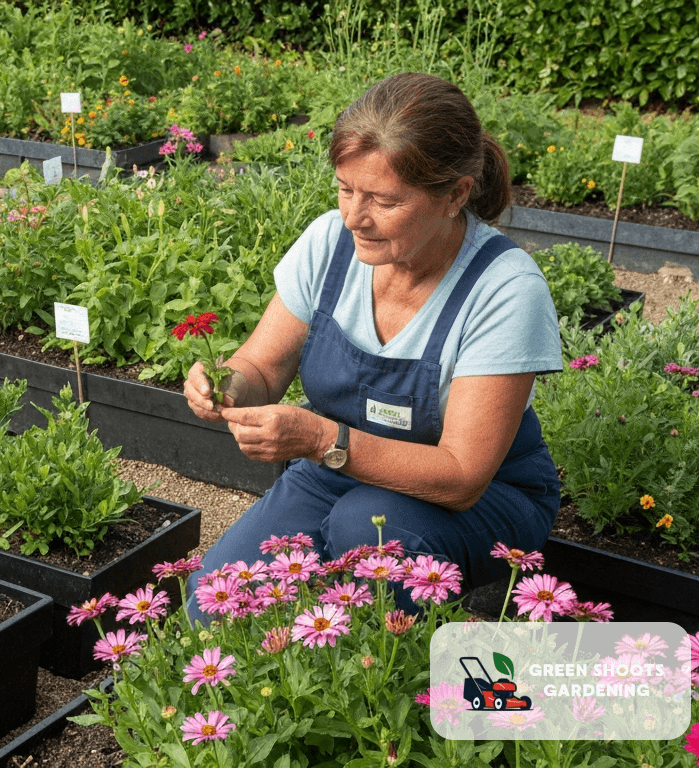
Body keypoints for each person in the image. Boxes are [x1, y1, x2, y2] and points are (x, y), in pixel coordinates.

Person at [182, 72, 563, 611]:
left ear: (455, 194)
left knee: (366, 535)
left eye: (383, 200)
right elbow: (262, 367)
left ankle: (405, 652)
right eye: (345, 189)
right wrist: (227, 385)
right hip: (342, 472)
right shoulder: (329, 244)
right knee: (218, 597)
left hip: (481, 500)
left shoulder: (504, 288)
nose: (353, 217)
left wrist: (321, 440)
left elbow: (462, 477)